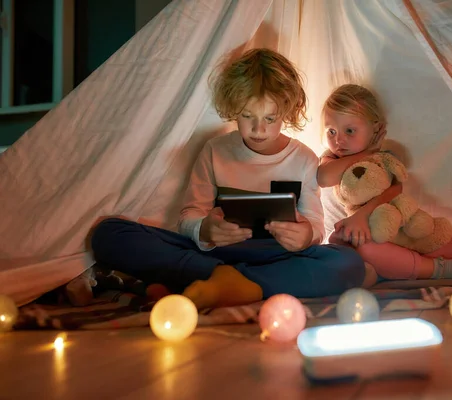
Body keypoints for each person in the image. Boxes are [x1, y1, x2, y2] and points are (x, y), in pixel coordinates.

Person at [91, 49, 365, 309]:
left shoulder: (304, 158)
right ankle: (233, 281)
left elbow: (315, 223)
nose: (259, 129)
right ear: (235, 109)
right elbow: (189, 215)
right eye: (248, 116)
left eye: (270, 118)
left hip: (277, 257)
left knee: (348, 262)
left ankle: (229, 283)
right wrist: (205, 230)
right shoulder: (215, 150)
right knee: (110, 234)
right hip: (216, 255)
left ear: (286, 112)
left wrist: (306, 236)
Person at [317, 83, 452, 282]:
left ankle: (402, 265)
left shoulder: (383, 156)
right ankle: (439, 270)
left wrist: (363, 213)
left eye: (349, 131)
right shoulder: (333, 158)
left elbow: (396, 188)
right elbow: (324, 177)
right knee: (364, 250)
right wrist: (368, 152)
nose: (339, 141)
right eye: (331, 132)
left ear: (375, 128)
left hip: (401, 228)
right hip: (368, 233)